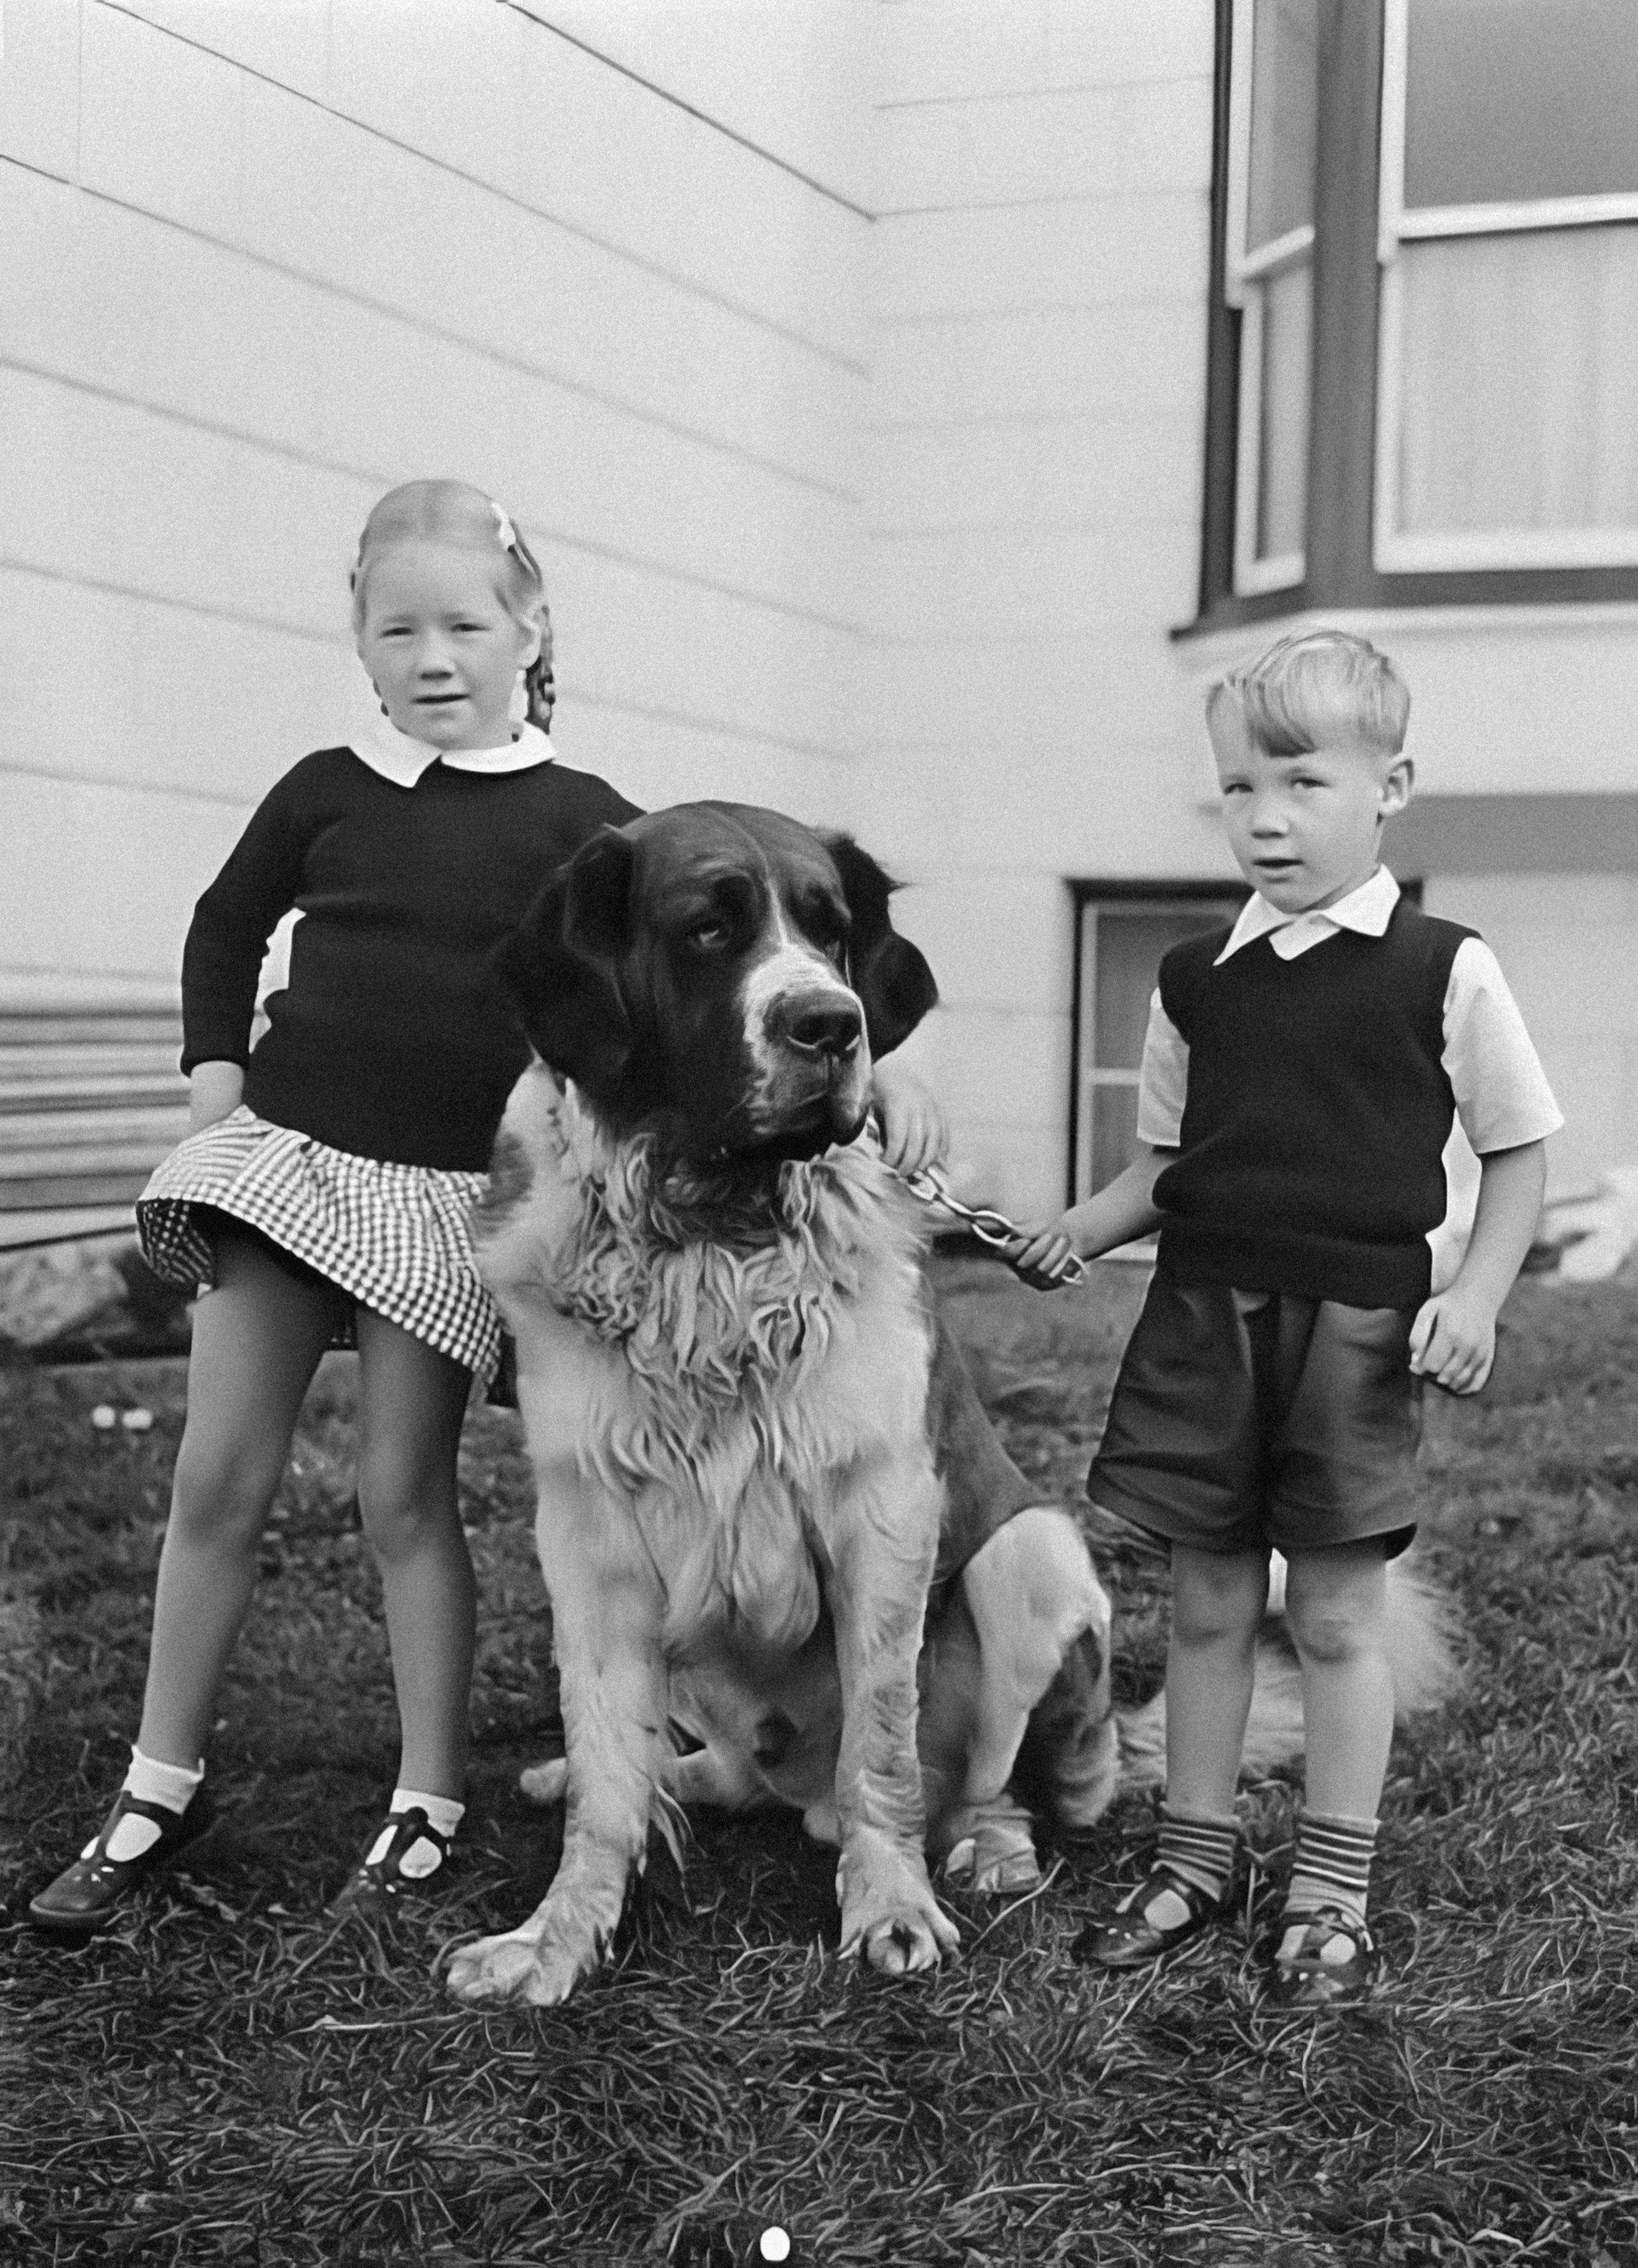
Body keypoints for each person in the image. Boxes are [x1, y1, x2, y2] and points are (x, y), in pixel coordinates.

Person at [30, 479, 943, 1935]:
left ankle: (426, 1795)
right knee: (217, 1479)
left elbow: (758, 933)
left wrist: (881, 1080)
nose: (433, 655)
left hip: (437, 1200)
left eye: (466, 622)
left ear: (533, 631)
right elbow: (224, 921)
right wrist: (214, 1081)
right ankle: (157, 1778)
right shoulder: (322, 787)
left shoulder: (597, 825)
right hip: (284, 1161)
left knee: (404, 1496)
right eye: (398, 627)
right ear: (359, 640)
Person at [1007, 629, 1562, 2005]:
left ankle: (1331, 1883)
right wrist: (1075, 1232)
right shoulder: (1198, 978)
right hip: (1204, 1326)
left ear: (1391, 785)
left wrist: (1477, 1292)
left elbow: (1518, 1148)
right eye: (1239, 787)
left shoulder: (1445, 966)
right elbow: (1166, 1165)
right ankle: (1190, 1860)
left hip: (1354, 1337)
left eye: (1302, 783)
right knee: (1200, 1606)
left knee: (1330, 1621)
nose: (1265, 816)